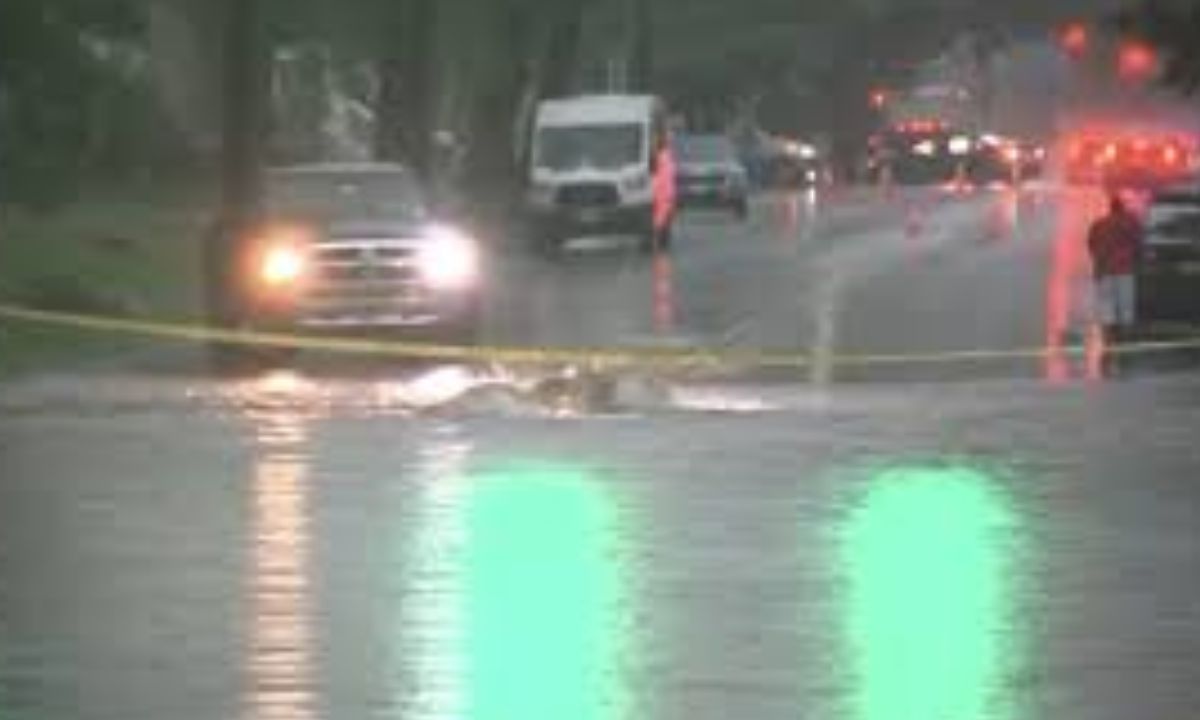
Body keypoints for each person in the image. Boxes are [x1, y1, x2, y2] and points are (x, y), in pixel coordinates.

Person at [1087, 193, 1144, 347]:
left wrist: (1099, 260)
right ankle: (1124, 340)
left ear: (1110, 208)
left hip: (1104, 270)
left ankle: (1108, 339)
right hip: (1125, 271)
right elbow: (1139, 244)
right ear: (1122, 208)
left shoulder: (1099, 224)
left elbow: (1091, 245)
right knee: (1124, 307)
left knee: (1107, 308)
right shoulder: (1131, 223)